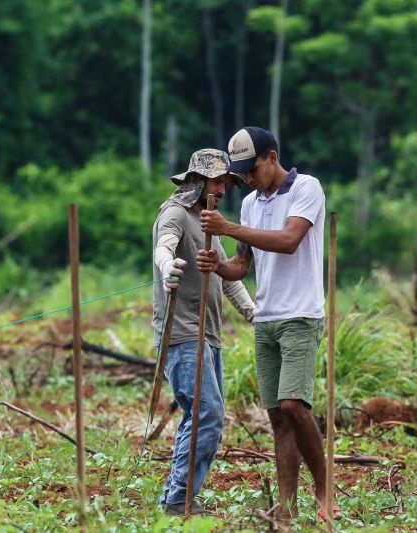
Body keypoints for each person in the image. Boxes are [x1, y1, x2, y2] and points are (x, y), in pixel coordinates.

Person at [196, 127, 338, 523]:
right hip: (267, 318)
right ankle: (287, 507)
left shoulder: (306, 188)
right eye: (240, 174)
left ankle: (325, 487)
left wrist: (229, 229)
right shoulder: (251, 205)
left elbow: (290, 239)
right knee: (278, 416)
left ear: (271, 157)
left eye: (251, 169)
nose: (246, 179)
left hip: (300, 315)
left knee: (295, 405)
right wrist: (219, 266)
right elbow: (243, 264)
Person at [152, 148, 255, 516]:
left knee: (207, 416)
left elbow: (226, 274)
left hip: (209, 333)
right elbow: (163, 245)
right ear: (197, 181)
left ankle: (176, 498)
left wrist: (251, 311)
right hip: (182, 333)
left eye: (227, 181)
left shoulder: (209, 221)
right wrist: (168, 267)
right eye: (218, 180)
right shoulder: (175, 212)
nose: (224, 188)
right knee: (206, 414)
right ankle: (180, 500)